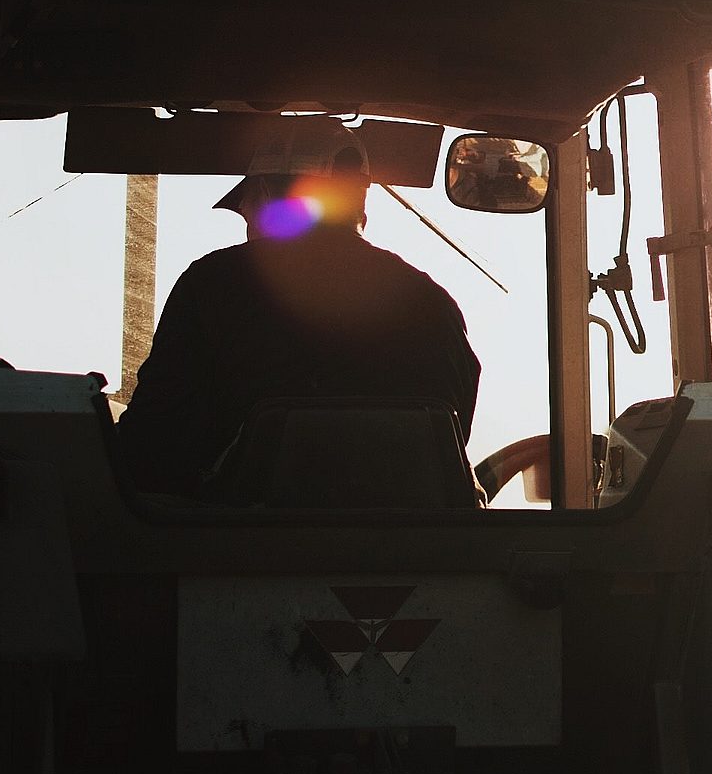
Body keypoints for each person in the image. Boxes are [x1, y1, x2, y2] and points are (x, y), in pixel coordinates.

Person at [115, 121, 480, 494]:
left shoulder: (212, 284)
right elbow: (449, 439)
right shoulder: (431, 301)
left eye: (245, 209)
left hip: (235, 540)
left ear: (262, 194)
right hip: (409, 542)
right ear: (360, 201)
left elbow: (155, 436)